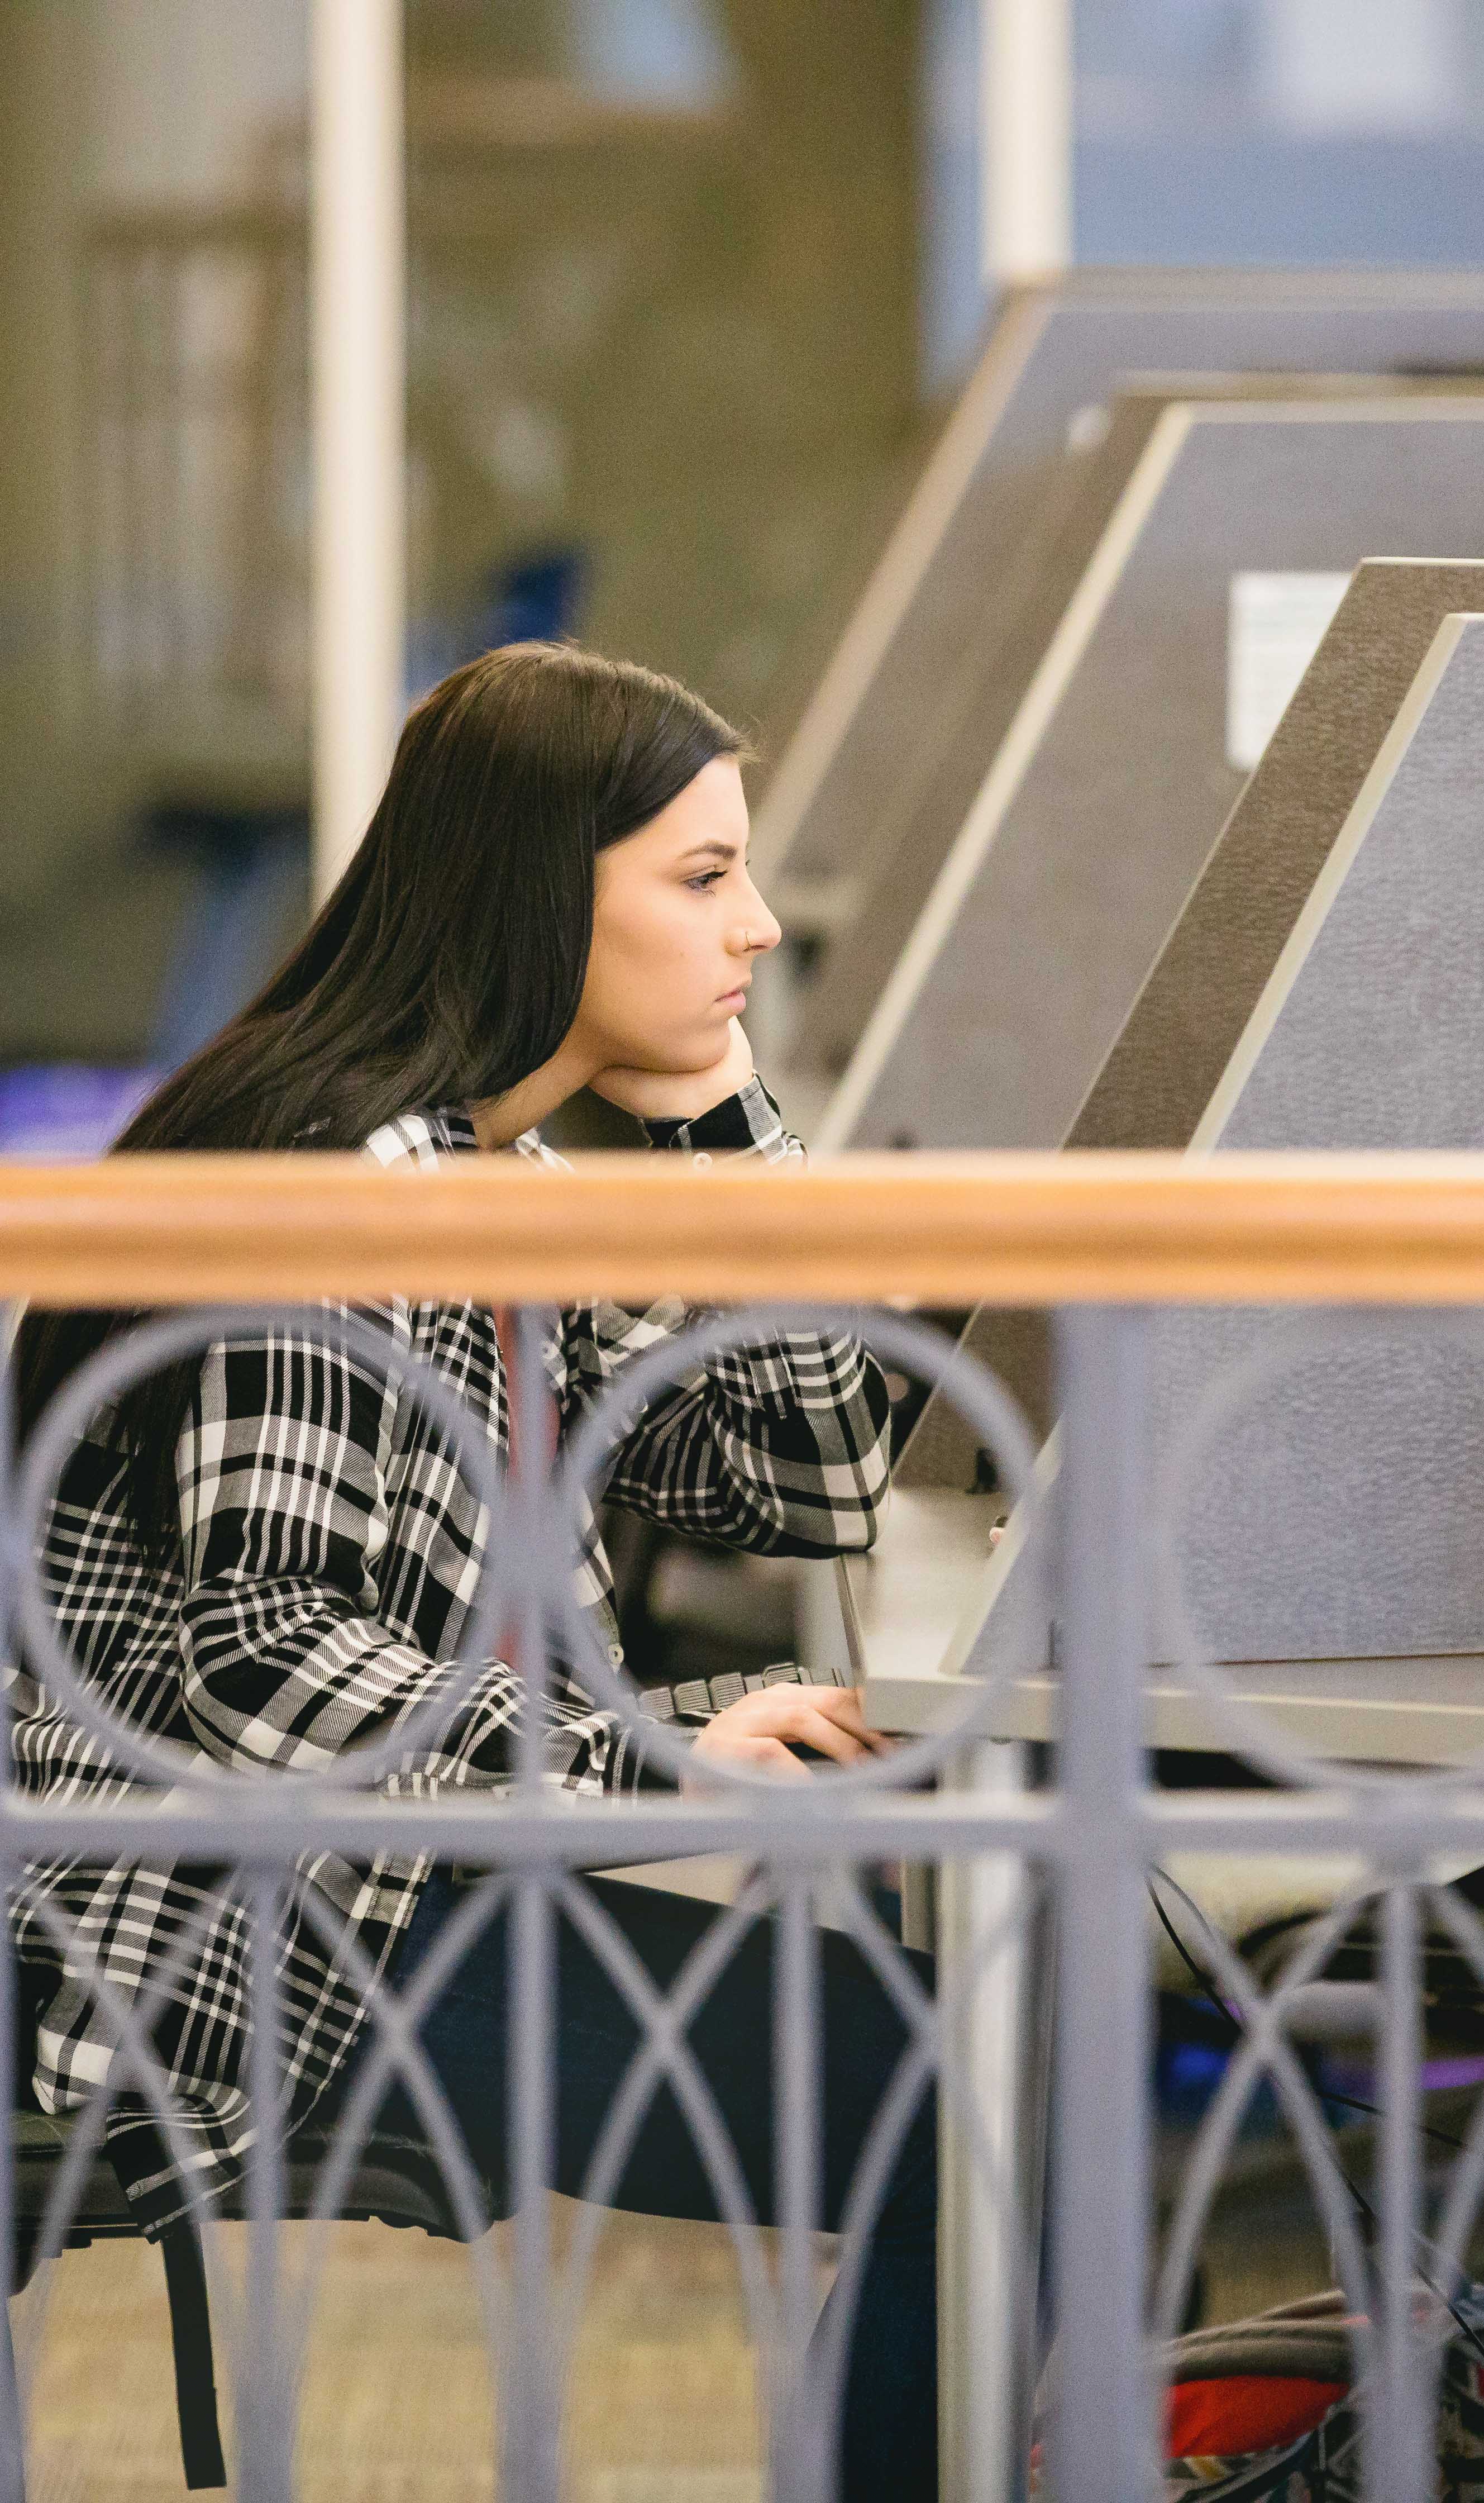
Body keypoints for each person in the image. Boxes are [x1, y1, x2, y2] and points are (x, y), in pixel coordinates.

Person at [11, 643, 934, 2495]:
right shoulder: (333, 1195)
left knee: (961, 2070)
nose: (756, 925)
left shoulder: (481, 1187)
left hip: (382, 1877)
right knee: (954, 2107)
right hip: (227, 1923)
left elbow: (815, 1473)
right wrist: (659, 1746)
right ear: (538, 894)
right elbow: (260, 1663)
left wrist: (727, 1130)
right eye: (698, 877)